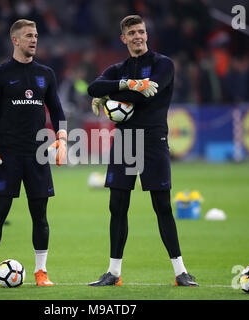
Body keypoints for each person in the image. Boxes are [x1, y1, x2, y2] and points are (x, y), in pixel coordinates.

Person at [87, 15, 198, 287]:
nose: (138, 36)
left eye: (141, 31)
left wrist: (112, 94)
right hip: (125, 142)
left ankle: (181, 272)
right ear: (123, 38)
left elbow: (149, 94)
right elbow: (93, 87)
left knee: (162, 206)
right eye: (132, 33)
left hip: (153, 141)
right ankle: (113, 273)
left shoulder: (163, 65)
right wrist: (127, 84)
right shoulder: (119, 68)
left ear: (146, 35)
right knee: (117, 207)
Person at [0, 19, 67, 288]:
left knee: (40, 215)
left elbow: (58, 111)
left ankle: (41, 272)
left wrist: (62, 138)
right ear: (15, 40)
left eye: (36, 35)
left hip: (38, 155)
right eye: (29, 35)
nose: (34, 40)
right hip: (7, 155)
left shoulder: (46, 73)